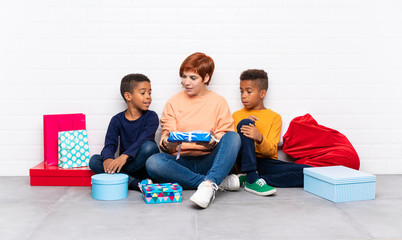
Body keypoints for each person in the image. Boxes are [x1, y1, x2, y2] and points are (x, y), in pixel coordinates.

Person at [146, 52, 241, 209]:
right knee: (153, 162)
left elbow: (224, 137)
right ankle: (213, 183)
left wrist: (213, 141)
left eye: (193, 78)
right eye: (184, 77)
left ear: (206, 78)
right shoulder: (173, 102)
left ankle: (210, 181)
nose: (186, 82)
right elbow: (165, 139)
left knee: (233, 137)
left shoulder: (219, 102)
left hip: (211, 161)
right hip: (180, 164)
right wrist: (170, 142)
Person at [233, 69, 312, 195]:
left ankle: (253, 179)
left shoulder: (274, 117)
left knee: (310, 172)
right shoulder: (236, 116)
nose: (243, 95)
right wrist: (244, 128)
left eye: (249, 91)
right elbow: (232, 148)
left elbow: (270, 151)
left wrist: (259, 138)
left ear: (262, 93)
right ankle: (251, 175)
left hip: (265, 163)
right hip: (243, 163)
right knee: (244, 123)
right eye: (241, 91)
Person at [89, 73, 160, 190]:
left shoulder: (151, 117)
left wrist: (124, 156)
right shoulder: (117, 120)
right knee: (94, 160)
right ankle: (136, 183)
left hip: (142, 165)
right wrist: (108, 159)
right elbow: (110, 144)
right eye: (143, 93)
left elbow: (144, 139)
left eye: (149, 93)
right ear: (128, 96)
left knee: (149, 147)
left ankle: (121, 178)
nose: (148, 97)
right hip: (125, 165)